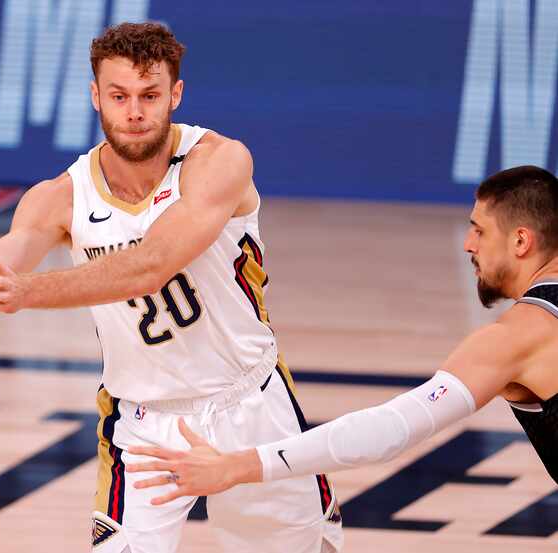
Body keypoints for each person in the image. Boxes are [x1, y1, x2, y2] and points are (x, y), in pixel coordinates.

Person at [0, 22, 342, 553]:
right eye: (119, 96)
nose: (134, 112)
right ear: (96, 96)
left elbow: (150, 264)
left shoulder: (219, 161)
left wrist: (28, 291)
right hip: (141, 421)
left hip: (250, 402)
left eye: (150, 96)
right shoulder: (60, 196)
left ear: (175, 94)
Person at [125, 165, 558, 507]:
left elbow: (392, 430)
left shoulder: (515, 338)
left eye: (480, 229)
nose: (468, 243)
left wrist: (237, 466)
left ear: (521, 241)